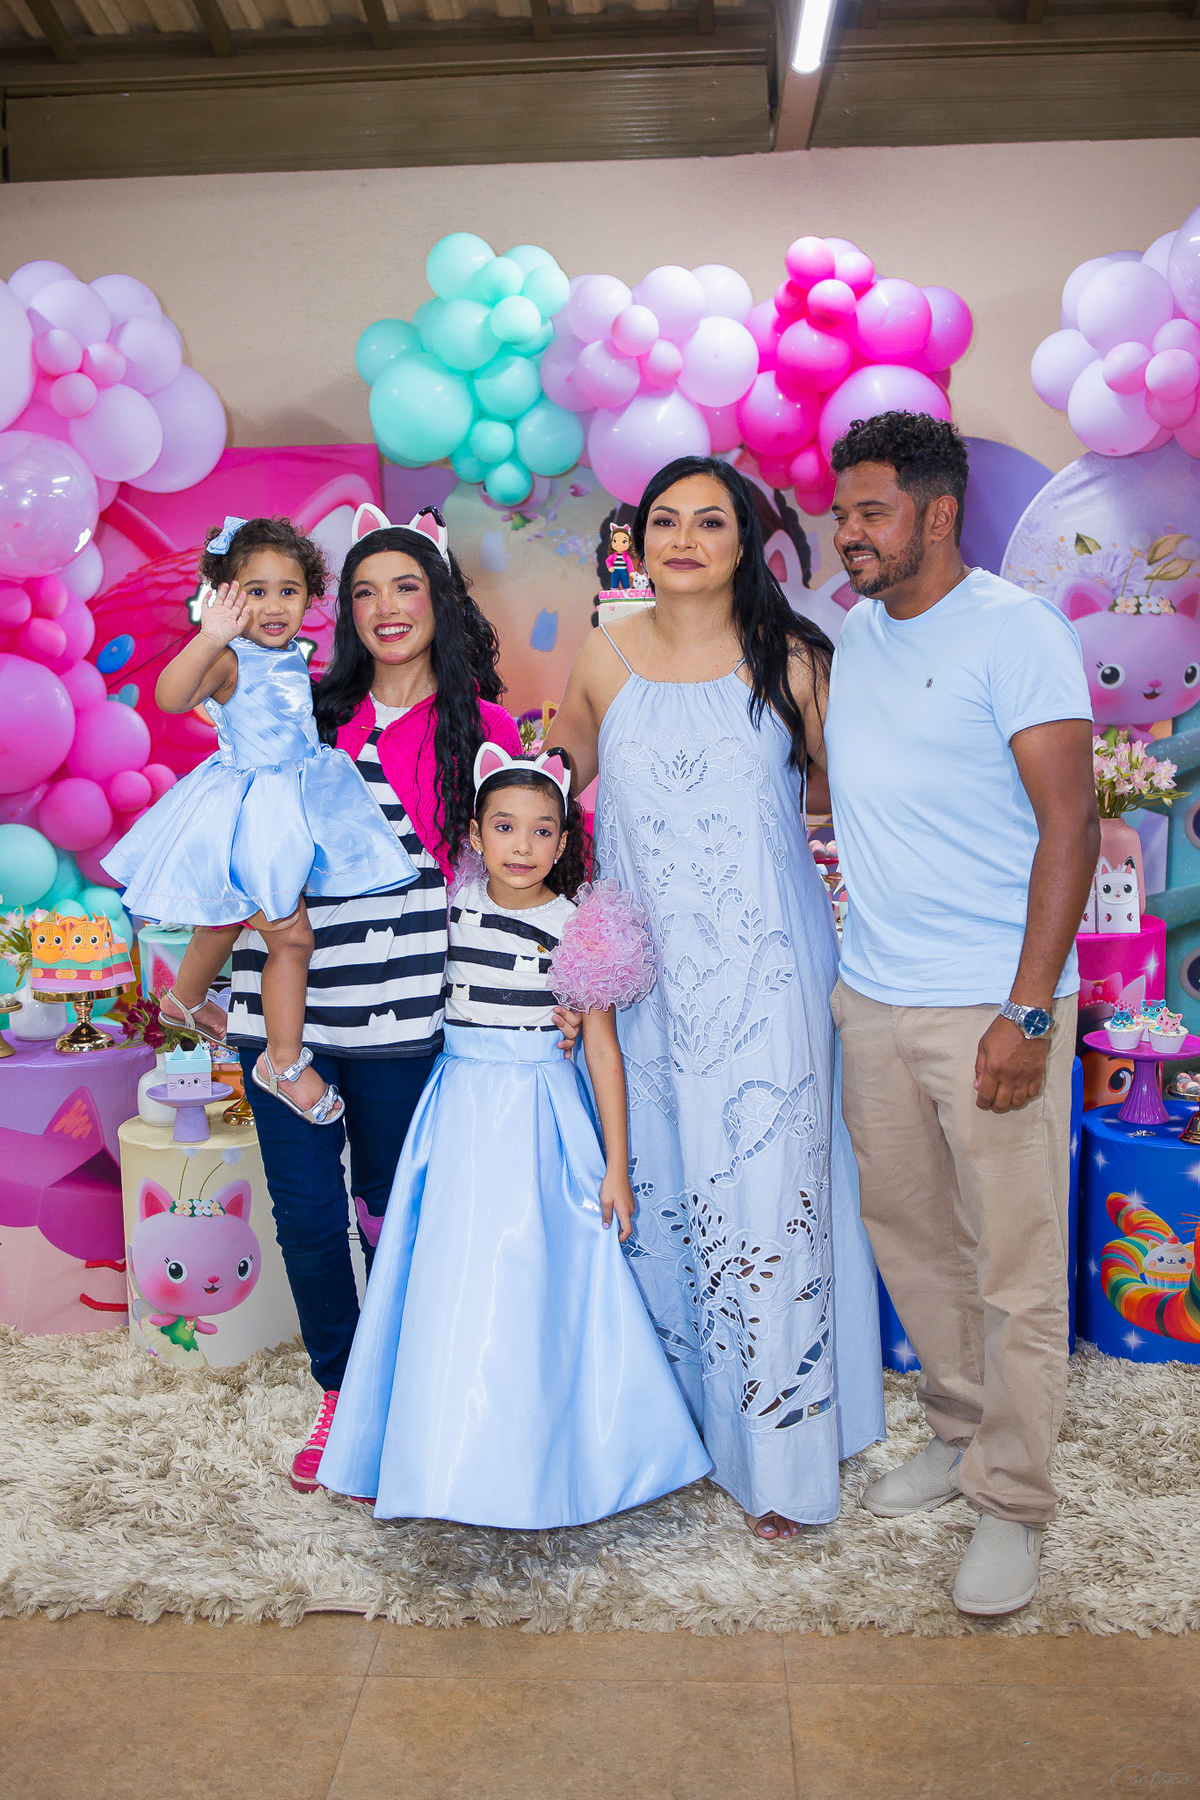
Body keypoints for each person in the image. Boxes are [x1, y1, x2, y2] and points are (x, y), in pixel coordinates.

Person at [546, 456, 885, 1542]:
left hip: (769, 974)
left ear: (748, 543)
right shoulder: (602, 653)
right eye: (664, 522)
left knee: (765, 1196)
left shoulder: (796, 658)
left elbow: (854, 794)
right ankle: (671, 1434)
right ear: (637, 541)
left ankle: (780, 1453)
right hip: (643, 981)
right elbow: (549, 792)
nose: (683, 540)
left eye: (709, 522)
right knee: (659, 1188)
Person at [215, 502, 579, 1492]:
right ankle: (342, 1391)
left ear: (440, 600)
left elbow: (512, 882)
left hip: (406, 1011)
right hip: (284, 1010)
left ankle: (399, 1388)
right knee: (305, 1216)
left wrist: (560, 981)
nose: (385, 607)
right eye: (364, 591)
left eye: (406, 586)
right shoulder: (306, 708)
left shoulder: (485, 730)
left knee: (392, 1211)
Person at [822, 412, 1098, 1617]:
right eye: (841, 512)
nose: (848, 534)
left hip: (991, 1002)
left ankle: (1015, 1501)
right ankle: (958, 1428)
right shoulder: (856, 632)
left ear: (937, 515)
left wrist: (1027, 1012)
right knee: (914, 1237)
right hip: (873, 994)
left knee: (1016, 1265)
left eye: (870, 512)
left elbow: (1071, 825)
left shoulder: (1017, 632)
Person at [316, 746, 711, 1525]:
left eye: (541, 830)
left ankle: (550, 1458)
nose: (522, 846)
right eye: (504, 827)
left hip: (542, 1117)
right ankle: (435, 1457)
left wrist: (617, 1168)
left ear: (564, 843)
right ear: (474, 834)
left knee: (539, 1277)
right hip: (459, 1110)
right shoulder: (448, 909)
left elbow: (603, 1051)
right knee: (451, 1276)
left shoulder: (581, 931)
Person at [103, 514, 418, 1125]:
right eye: (256, 591)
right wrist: (208, 637)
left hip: (286, 803)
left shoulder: (288, 656)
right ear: (226, 597)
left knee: (225, 918)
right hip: (252, 813)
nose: (274, 606)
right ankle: (282, 1061)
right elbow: (170, 696)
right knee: (293, 940)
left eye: (288, 591)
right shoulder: (230, 658)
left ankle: (183, 1000)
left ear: (309, 595)